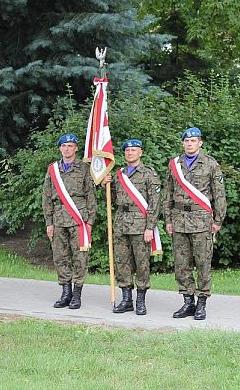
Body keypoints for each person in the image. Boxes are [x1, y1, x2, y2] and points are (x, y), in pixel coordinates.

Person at [163, 127, 227, 320]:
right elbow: (167, 194)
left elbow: (219, 194)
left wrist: (218, 220)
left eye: (194, 141)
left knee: (203, 263)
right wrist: (168, 219)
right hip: (179, 220)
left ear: (200, 143)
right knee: (181, 264)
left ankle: (202, 302)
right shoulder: (174, 164)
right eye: (187, 141)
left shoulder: (210, 164)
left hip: (201, 221)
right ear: (183, 143)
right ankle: (187, 302)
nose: (190, 144)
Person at [101, 139, 161, 315]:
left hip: (140, 225)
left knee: (142, 263)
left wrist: (150, 227)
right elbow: (112, 198)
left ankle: (140, 300)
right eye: (127, 150)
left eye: (134, 150)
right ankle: (126, 299)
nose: (130, 153)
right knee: (122, 263)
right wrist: (106, 184)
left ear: (140, 152)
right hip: (121, 224)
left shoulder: (149, 173)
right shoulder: (119, 174)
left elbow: (155, 203)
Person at [42, 134, 97, 309]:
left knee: (80, 257)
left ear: (76, 148)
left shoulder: (84, 169)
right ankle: (66, 293)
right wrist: (49, 222)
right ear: (60, 148)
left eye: (70, 146)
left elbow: (91, 197)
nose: (67, 149)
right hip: (58, 219)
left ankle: (77, 294)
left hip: (79, 219)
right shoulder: (53, 170)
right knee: (60, 256)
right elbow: (46, 197)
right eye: (64, 146)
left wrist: (89, 222)